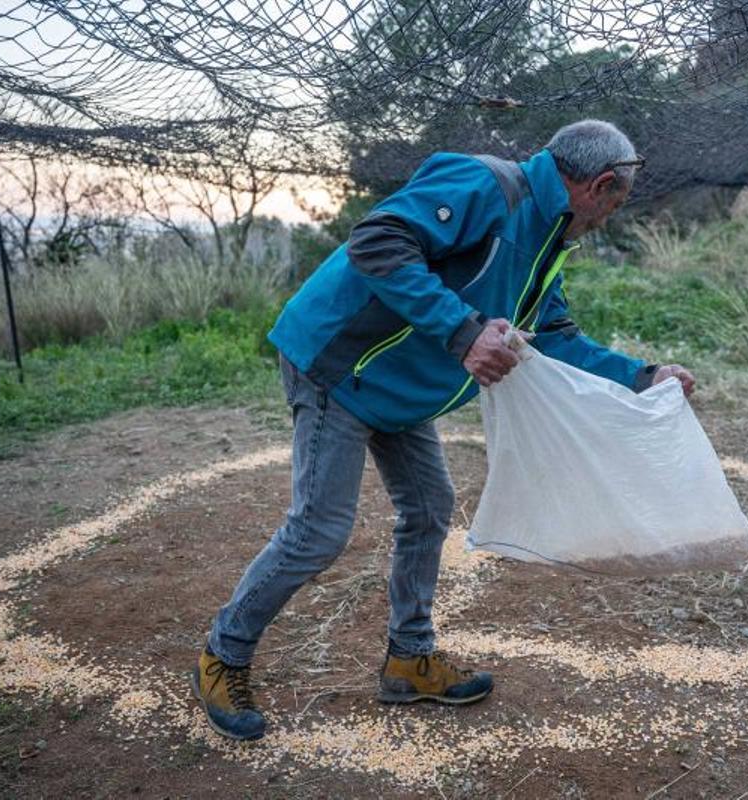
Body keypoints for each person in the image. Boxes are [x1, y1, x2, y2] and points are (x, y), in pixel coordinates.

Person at [192, 119, 697, 740]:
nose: (610, 217)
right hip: (339, 366)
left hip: (397, 388)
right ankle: (225, 653)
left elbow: (557, 336)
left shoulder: (547, 241)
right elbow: (377, 241)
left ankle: (409, 660)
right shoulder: (486, 184)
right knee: (320, 530)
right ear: (599, 185)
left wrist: (643, 376)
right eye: (616, 203)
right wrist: (464, 333)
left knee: (430, 506)